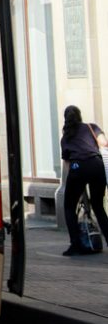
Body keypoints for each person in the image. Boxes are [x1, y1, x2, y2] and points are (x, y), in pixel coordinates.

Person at [60, 105, 108, 255]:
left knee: (69, 206)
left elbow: (67, 163)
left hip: (77, 167)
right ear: (80, 116)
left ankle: (75, 244)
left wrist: (76, 183)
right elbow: (104, 143)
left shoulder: (66, 137)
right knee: (98, 206)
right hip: (96, 165)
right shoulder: (91, 127)